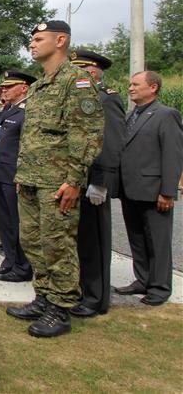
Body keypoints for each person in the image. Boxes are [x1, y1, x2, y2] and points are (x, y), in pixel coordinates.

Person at [7, 20, 103, 338]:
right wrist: (22, 174)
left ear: (60, 40)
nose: (32, 44)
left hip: (57, 182)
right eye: (31, 39)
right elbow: (32, 137)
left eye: (38, 39)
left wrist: (74, 180)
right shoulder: (37, 86)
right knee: (32, 242)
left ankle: (60, 309)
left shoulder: (76, 81)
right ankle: (44, 298)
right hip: (32, 179)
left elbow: (87, 134)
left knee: (58, 245)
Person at [115, 71, 183, 306]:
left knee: (158, 241)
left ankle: (160, 287)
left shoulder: (166, 115)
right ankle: (142, 279)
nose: (130, 88)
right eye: (130, 84)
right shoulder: (131, 115)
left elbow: (173, 155)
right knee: (137, 238)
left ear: (153, 87)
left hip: (154, 191)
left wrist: (168, 191)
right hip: (130, 189)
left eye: (136, 84)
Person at [67, 50, 126, 317]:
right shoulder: (81, 98)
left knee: (94, 241)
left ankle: (96, 298)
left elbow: (110, 143)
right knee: (79, 240)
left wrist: (101, 181)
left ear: (91, 72)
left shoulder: (106, 99)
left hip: (93, 179)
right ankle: (82, 290)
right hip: (76, 178)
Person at [0, 70, 36, 283]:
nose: (4, 89)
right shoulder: (9, 109)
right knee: (5, 222)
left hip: (14, 175)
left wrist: (24, 176)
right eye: (3, 86)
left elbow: (28, 147)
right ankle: (10, 262)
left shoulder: (28, 111)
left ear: (24, 88)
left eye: (9, 86)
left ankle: (23, 266)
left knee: (16, 222)